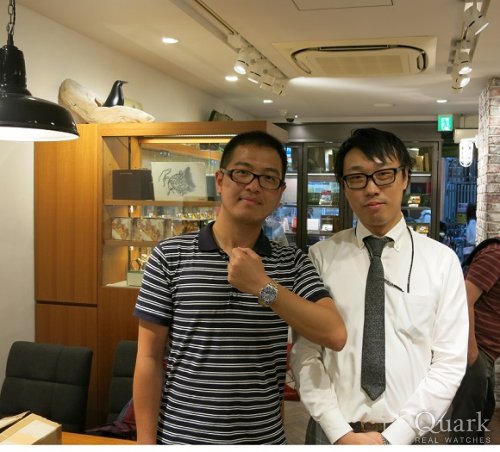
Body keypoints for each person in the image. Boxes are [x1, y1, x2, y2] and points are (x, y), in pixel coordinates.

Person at [133, 130, 347, 444]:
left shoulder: (292, 263)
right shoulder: (170, 256)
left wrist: (263, 286)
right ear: (220, 181)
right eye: (243, 173)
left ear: (279, 192)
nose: (254, 186)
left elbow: (334, 333)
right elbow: (149, 359)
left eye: (268, 178)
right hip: (181, 437)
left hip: (262, 438)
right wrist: (145, 444)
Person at [291, 127, 468, 445]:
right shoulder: (320, 257)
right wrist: (339, 431)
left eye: (384, 174)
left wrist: (396, 436)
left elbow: (449, 361)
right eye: (357, 178)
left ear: (405, 177)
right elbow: (305, 353)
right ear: (344, 186)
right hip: (332, 432)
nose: (371, 188)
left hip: (411, 433)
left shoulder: (441, 262)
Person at [449, 236, 500, 444]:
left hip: (486, 352)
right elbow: (464, 299)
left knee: (483, 413)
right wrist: (471, 352)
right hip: (476, 349)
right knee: (467, 426)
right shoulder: (496, 255)